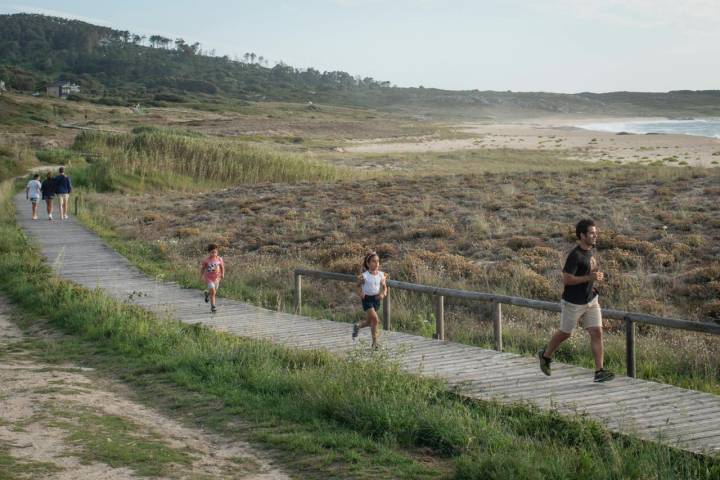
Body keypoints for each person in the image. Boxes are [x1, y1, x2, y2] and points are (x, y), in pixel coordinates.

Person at [538, 219, 615, 383]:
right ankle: (545, 356)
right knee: (566, 333)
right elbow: (567, 280)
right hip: (573, 303)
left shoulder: (590, 251)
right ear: (582, 235)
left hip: (591, 300)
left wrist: (595, 275)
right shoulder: (575, 255)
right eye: (592, 233)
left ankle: (599, 372)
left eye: (596, 232)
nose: (596, 235)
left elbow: (589, 270)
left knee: (597, 332)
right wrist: (589, 277)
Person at [352, 251, 388, 349]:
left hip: (376, 299)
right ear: (368, 263)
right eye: (373, 261)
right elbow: (356, 287)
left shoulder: (381, 275)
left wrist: (383, 294)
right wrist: (360, 293)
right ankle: (375, 343)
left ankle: (358, 326)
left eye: (378, 261)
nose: (376, 264)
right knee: (375, 319)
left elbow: (385, 287)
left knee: (370, 322)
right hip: (367, 299)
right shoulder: (364, 276)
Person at [200, 243, 224, 313]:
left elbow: (222, 267)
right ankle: (213, 306)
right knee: (213, 292)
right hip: (209, 278)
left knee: (214, 291)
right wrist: (201, 276)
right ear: (209, 252)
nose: (213, 254)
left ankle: (207, 294)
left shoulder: (219, 259)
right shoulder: (206, 260)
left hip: (217, 278)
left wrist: (222, 274)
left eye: (215, 252)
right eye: (212, 252)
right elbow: (203, 269)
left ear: (217, 252)